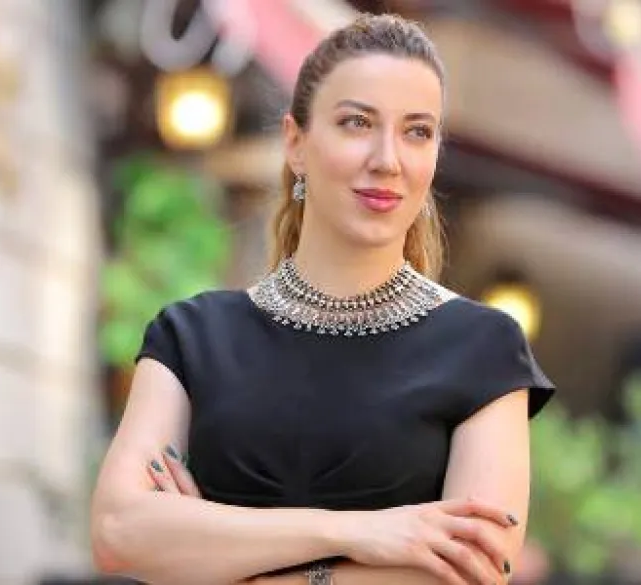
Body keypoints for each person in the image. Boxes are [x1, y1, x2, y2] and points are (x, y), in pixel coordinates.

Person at [90, 13, 555, 585]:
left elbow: (474, 567)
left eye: (417, 132)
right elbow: (117, 532)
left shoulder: (484, 349)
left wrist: (219, 561)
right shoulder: (191, 337)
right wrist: (354, 533)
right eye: (357, 123)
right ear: (296, 143)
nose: (387, 159)